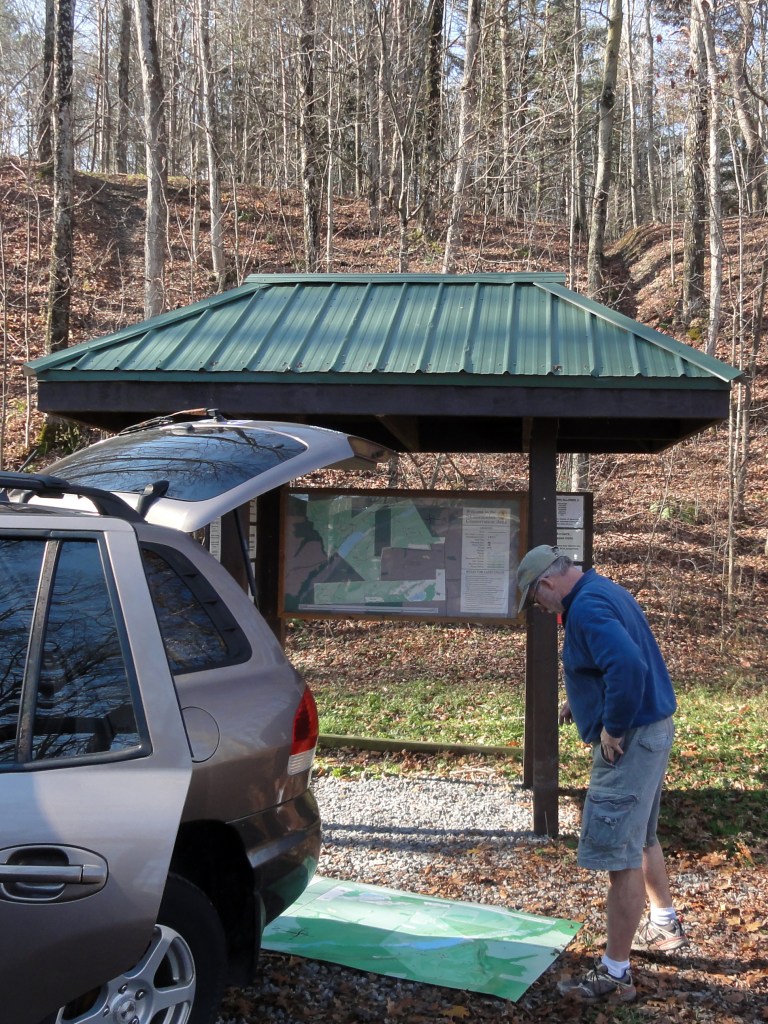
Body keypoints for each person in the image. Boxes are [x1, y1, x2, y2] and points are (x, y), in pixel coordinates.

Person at [516, 544, 688, 1004]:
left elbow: (628, 666)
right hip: (653, 727)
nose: (541, 607)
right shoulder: (600, 588)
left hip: (630, 739)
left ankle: (615, 974)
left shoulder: (587, 607)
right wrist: (586, 698)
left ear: (548, 583)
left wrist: (611, 726)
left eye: (536, 599)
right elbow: (615, 661)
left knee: (618, 855)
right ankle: (665, 924)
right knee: (641, 837)